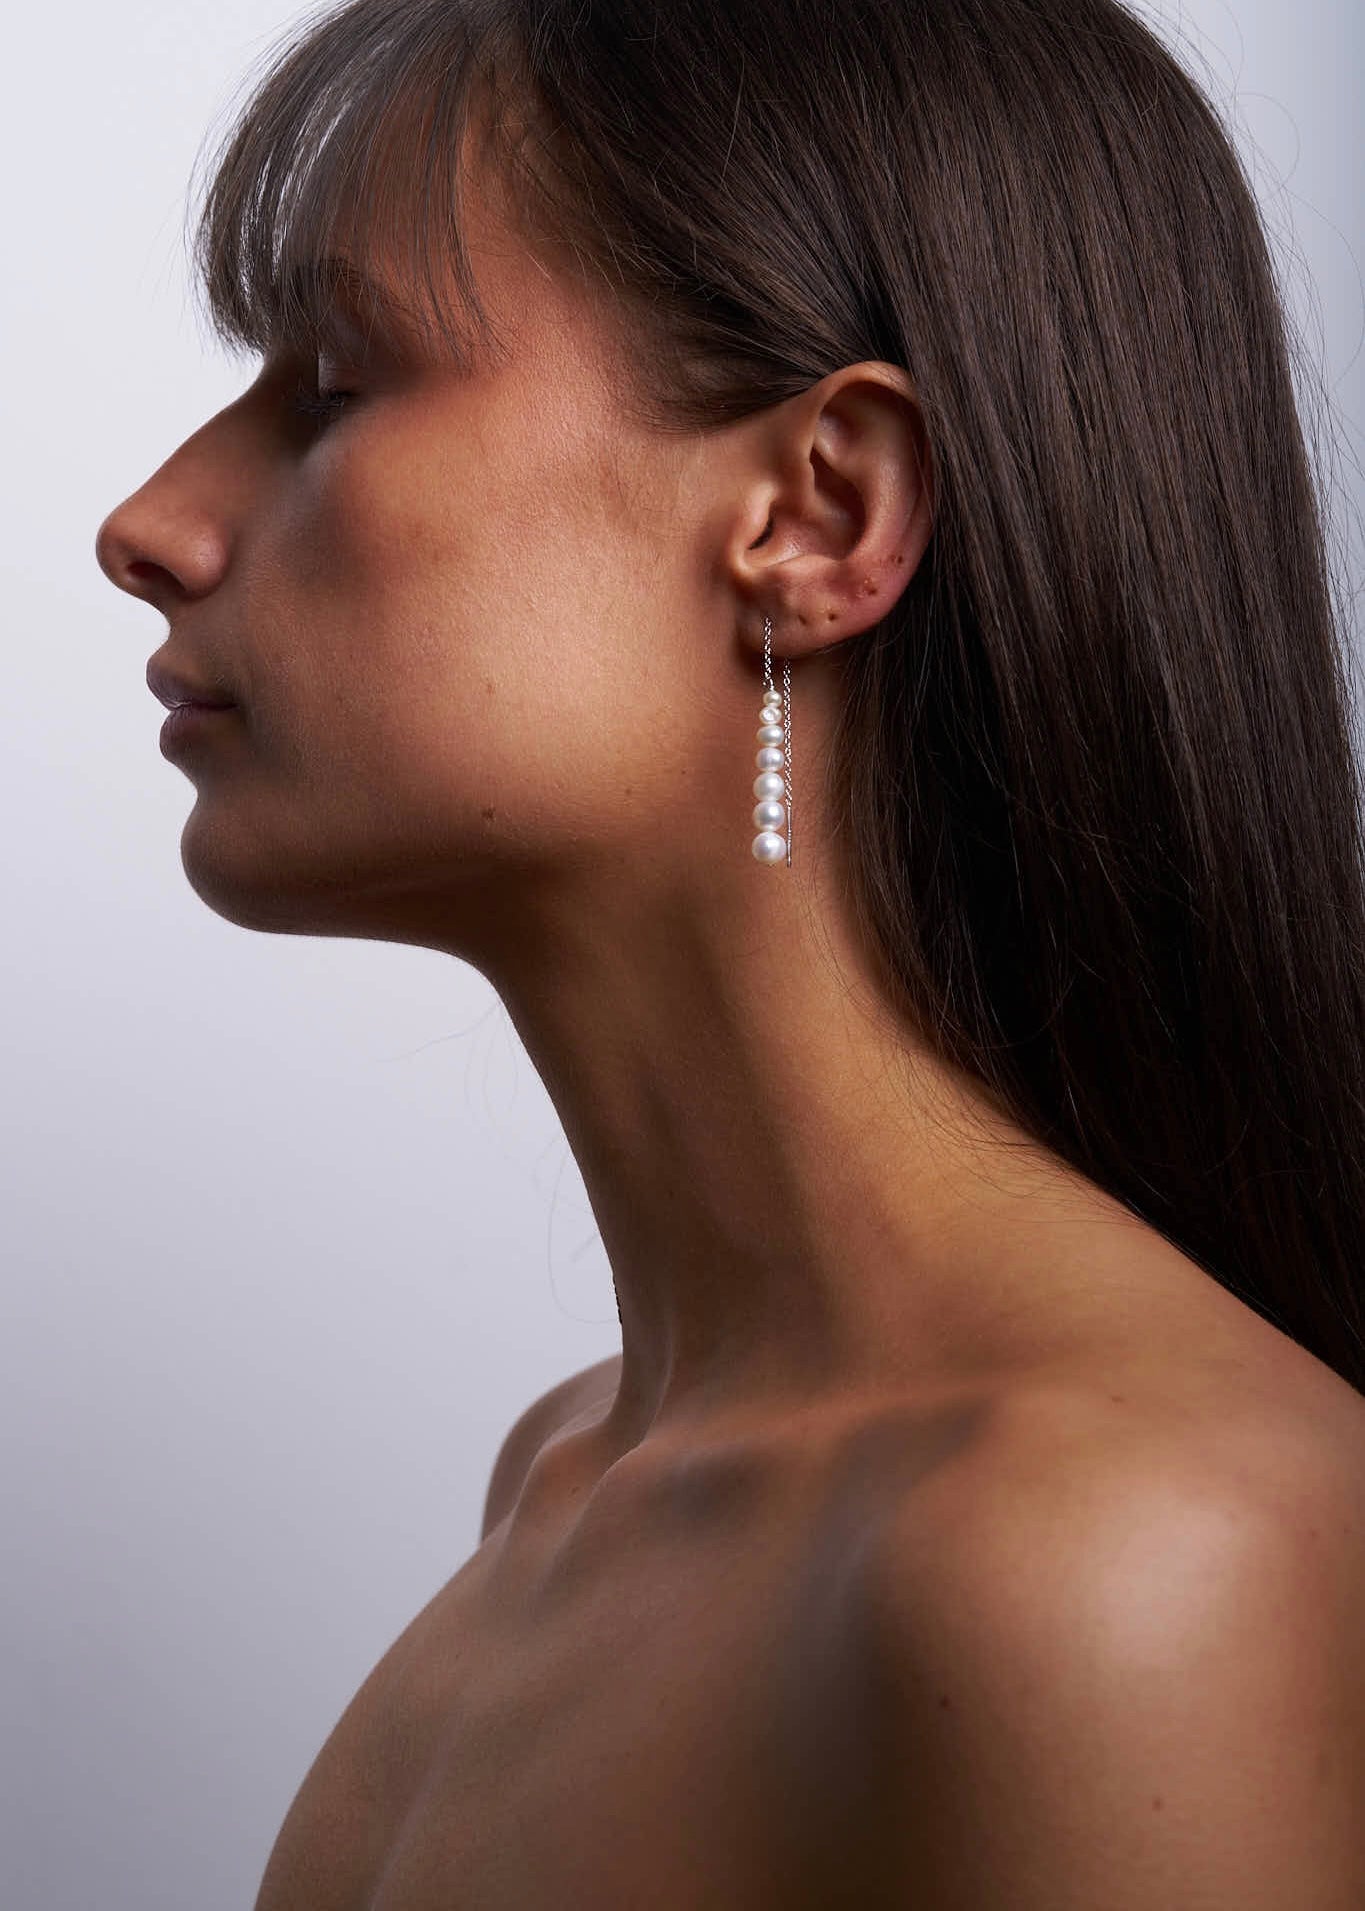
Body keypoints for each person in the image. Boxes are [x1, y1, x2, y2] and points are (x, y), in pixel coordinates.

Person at [95, 0, 1365, 1902]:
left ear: (816, 511)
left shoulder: (1120, 1558)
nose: (149, 527)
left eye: (336, 386)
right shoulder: (568, 1480)